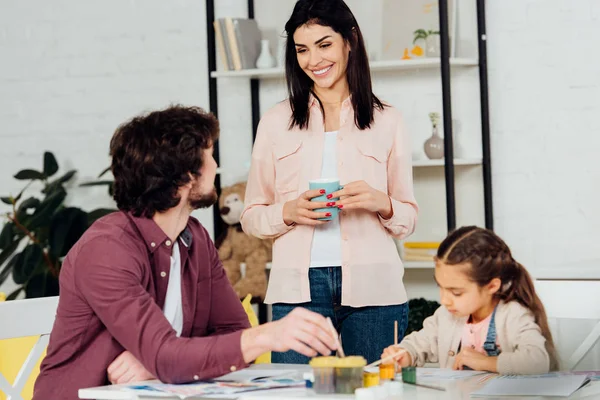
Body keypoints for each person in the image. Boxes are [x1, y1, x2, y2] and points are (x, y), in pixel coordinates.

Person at [32, 105, 339, 400]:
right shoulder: (106, 250)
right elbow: (180, 353)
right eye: (210, 157)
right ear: (184, 177)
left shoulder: (195, 239)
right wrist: (267, 336)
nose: (217, 167)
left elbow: (232, 330)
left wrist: (156, 360)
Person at [241, 0, 418, 364]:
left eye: (324, 44)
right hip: (297, 291)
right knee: (295, 394)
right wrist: (288, 212)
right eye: (302, 50)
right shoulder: (275, 122)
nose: (314, 60)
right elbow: (251, 216)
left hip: (374, 290)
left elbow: (408, 219)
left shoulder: (388, 120)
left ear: (349, 41)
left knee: (375, 393)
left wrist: (380, 201)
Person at [381, 226, 559, 375]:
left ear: (492, 286)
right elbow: (420, 343)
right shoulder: (447, 316)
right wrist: (405, 354)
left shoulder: (512, 314)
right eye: (440, 287)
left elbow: (537, 362)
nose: (445, 300)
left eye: (456, 293)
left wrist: (486, 362)